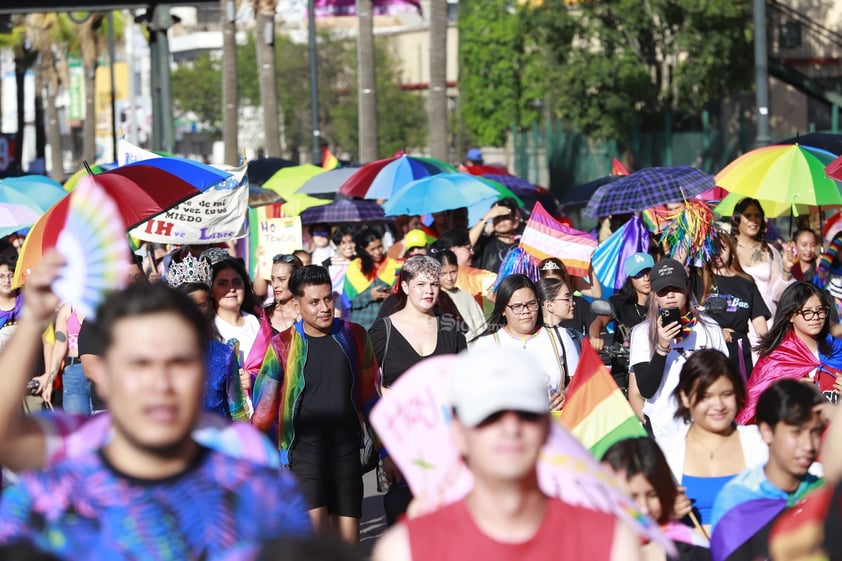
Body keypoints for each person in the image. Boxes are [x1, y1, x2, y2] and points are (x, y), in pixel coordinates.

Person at [0, 257, 312, 560]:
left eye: (179, 362)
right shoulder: (50, 495)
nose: (160, 383)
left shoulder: (258, 484)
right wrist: (33, 320)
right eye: (140, 364)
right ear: (105, 375)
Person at [371, 348, 642, 561]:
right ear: (459, 431)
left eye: (526, 414)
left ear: (548, 427)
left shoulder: (611, 542)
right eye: (490, 416)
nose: (511, 428)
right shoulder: (405, 550)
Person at [252, 265, 382, 544]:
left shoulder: (355, 336)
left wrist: (385, 451)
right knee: (318, 546)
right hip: (304, 455)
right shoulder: (282, 345)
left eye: (327, 299)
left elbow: (371, 399)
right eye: (314, 302)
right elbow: (264, 412)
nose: (324, 308)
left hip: (346, 453)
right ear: (297, 304)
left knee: (348, 548)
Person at [368, 256, 467, 523]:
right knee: (406, 520)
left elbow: (465, 387)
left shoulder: (452, 328)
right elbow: (369, 392)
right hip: (400, 442)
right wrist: (384, 451)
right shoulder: (382, 331)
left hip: (447, 442)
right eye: (421, 283)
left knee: (448, 523)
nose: (429, 290)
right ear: (405, 287)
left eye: (434, 284)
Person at [710, 380, 825, 561]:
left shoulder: (826, 493)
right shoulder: (737, 501)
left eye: (815, 432)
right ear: (766, 431)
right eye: (796, 432)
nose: (808, 445)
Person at [656, 350, 767, 535]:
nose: (719, 405)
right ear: (685, 397)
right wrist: (664, 513)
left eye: (726, 394)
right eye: (706, 396)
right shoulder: (664, 451)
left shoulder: (762, 441)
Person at [629, 259, 727, 439]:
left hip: (704, 426)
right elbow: (645, 390)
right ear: (654, 294)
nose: (670, 295)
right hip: (663, 430)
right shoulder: (642, 332)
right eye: (663, 291)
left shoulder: (710, 328)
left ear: (687, 287)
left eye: (676, 288)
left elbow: (724, 378)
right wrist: (662, 346)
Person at [738, 281, 842, 424]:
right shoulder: (775, 358)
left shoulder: (838, 349)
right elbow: (753, 411)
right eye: (807, 312)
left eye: (820, 310)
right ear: (790, 316)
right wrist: (788, 393)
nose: (816, 317)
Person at [167, 252, 250, 421]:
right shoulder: (159, 354)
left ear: (209, 306)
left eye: (202, 304)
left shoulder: (225, 355)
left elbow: (238, 413)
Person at [602, 437, 710, 561]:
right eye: (631, 498)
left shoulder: (692, 549)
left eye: (652, 495)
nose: (644, 508)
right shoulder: (587, 549)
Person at [470, 275, 567, 410]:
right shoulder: (486, 345)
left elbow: (580, 383)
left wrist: (566, 395)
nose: (526, 311)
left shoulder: (560, 336)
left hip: (556, 424)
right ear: (503, 309)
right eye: (517, 306)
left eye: (531, 304)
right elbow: (475, 394)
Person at [698, 234, 770, 380]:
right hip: (710, 351)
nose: (718, 252)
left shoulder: (746, 282)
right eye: (714, 248)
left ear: (731, 249)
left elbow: (760, 324)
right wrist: (716, 330)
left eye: (722, 247)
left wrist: (769, 354)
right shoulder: (700, 279)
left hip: (739, 352)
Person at [589, 252, 653, 392]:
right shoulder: (619, 302)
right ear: (630, 278)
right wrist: (595, 337)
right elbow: (599, 321)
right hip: (623, 371)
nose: (646, 278)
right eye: (639, 274)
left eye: (649, 272)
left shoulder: (661, 302)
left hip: (653, 367)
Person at [731, 198, 793, 319]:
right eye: (748, 215)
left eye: (757, 215)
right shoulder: (726, 249)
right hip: (735, 319)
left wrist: (787, 269)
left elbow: (777, 295)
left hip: (767, 319)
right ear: (736, 218)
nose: (754, 220)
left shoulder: (769, 251)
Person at [343, 227, 400, 329]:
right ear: (363, 249)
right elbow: (349, 302)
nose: (377, 252)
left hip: (388, 325)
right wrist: (370, 295)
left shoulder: (394, 266)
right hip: (362, 325)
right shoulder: (355, 268)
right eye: (372, 249)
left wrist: (392, 294)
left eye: (380, 247)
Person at [535, 277, 581, 382]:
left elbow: (574, 381)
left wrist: (563, 393)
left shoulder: (563, 335)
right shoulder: (562, 335)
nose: (573, 303)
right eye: (567, 299)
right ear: (549, 305)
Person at [433, 249, 486, 340]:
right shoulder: (433, 299)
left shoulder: (466, 296)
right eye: (443, 274)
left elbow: (481, 328)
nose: (449, 278)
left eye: (453, 272)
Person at [470, 197, 522, 273]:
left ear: (514, 218)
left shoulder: (522, 244)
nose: (501, 221)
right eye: (497, 217)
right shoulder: (485, 242)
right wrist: (486, 217)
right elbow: (468, 242)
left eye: (505, 217)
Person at [267, 254, 304, 334]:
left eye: (282, 279)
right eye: (273, 279)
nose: (275, 285)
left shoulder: (308, 313)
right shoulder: (265, 315)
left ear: (297, 279)